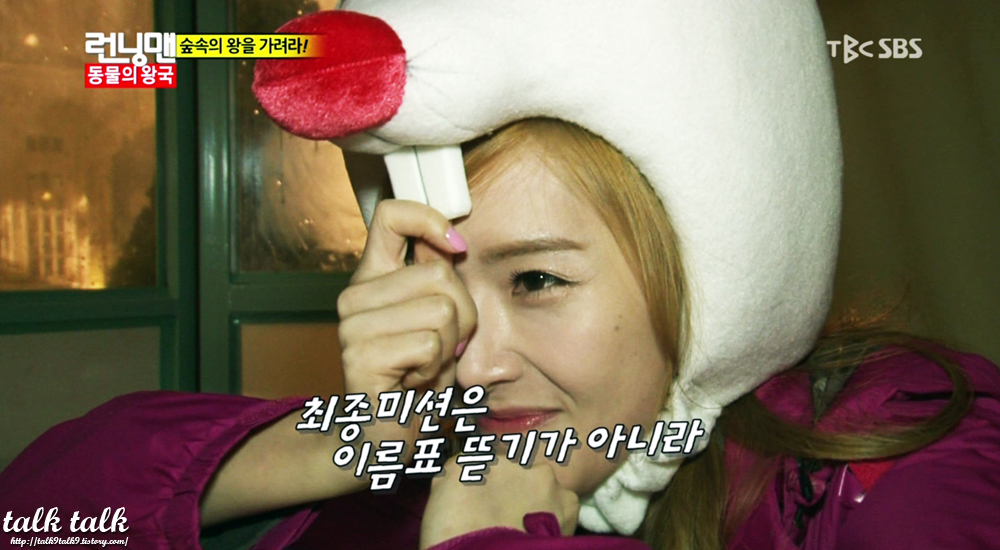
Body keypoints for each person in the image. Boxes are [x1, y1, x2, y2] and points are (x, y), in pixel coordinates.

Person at [5, 3, 1000, 550]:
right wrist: (360, 445)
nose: (470, 365)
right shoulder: (426, 460)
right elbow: (38, 516)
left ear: (711, 282)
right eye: (437, 283)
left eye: (536, 283)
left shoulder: (902, 456)